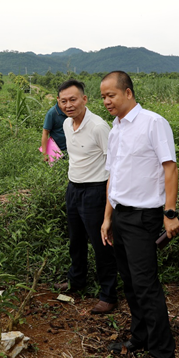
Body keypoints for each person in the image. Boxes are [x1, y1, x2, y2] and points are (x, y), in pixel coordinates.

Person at [100, 71, 179, 358]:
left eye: (112, 95)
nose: (107, 101)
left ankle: (163, 356)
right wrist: (107, 218)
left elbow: (170, 168)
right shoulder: (115, 129)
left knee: (146, 286)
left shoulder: (153, 123)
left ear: (128, 93)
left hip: (144, 216)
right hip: (120, 215)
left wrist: (169, 213)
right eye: (103, 97)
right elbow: (114, 176)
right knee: (130, 282)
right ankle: (141, 336)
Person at [53, 80, 118, 314]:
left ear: (84, 99)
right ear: (59, 103)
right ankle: (76, 280)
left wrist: (110, 201)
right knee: (76, 239)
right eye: (63, 101)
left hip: (96, 190)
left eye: (73, 99)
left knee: (101, 243)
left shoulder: (99, 126)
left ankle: (109, 294)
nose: (68, 105)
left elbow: (114, 165)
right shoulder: (67, 124)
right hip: (74, 188)